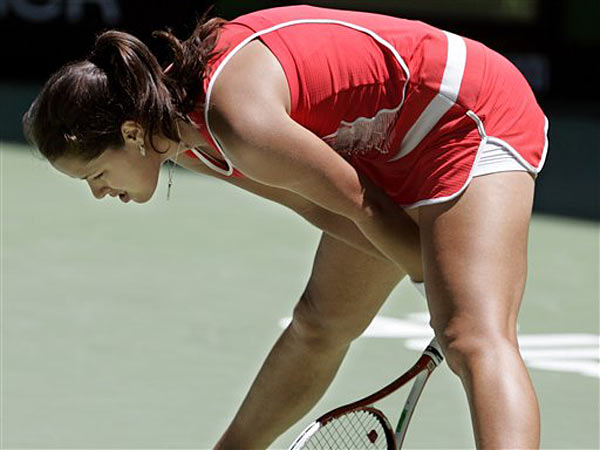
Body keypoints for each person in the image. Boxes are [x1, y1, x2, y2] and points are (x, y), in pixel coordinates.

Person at [23, 4, 548, 449]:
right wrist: (426, 274)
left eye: (95, 173)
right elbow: (322, 208)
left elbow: (365, 208)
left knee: (472, 337)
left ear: (132, 132)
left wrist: (432, 287)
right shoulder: (193, 142)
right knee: (320, 322)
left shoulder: (237, 122)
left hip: (465, 114)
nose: (98, 192)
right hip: (383, 147)